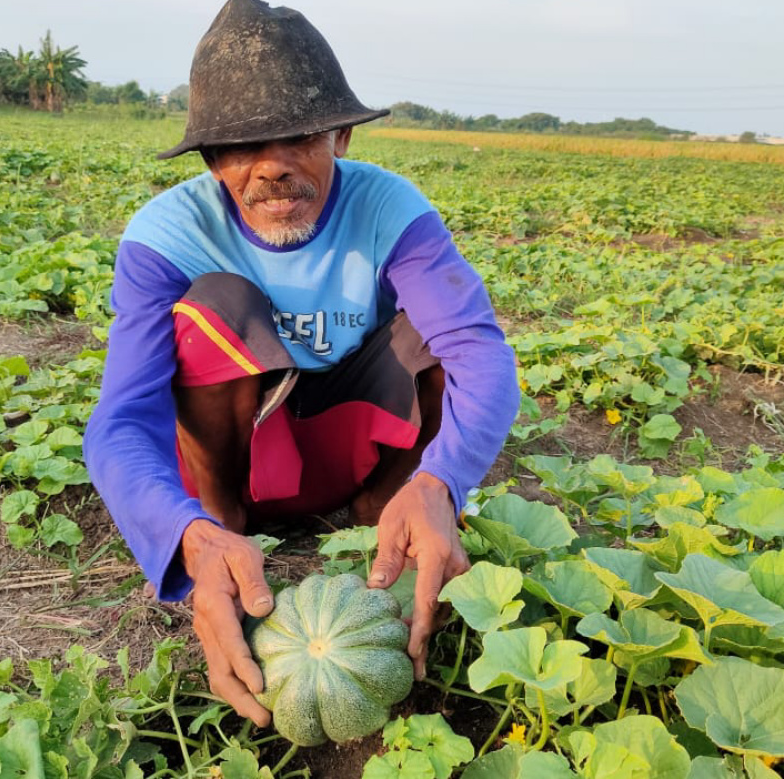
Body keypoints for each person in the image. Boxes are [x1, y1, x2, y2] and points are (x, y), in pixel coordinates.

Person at [82, 0, 518, 727]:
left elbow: (479, 353)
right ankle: (222, 527)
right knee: (214, 304)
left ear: (340, 134)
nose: (273, 167)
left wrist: (444, 479)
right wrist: (183, 534)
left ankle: (392, 511)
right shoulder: (165, 235)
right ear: (211, 159)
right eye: (240, 146)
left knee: (429, 329)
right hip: (236, 458)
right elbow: (120, 420)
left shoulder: (389, 208)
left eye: (301, 136)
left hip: (342, 443)